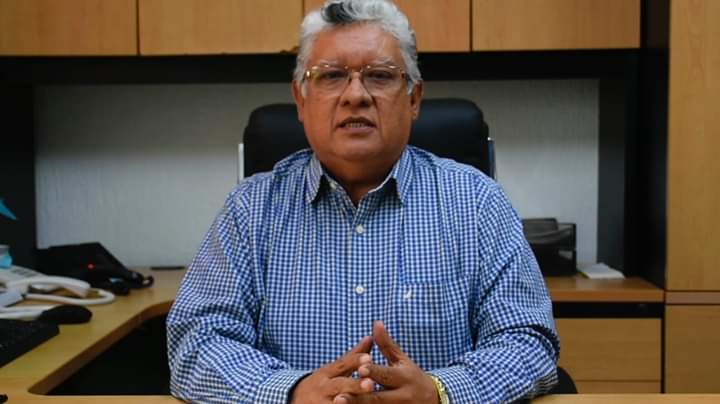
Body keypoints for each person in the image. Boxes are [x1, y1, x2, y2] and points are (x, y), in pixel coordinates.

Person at [167, 0, 559, 402]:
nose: (356, 95)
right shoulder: (250, 210)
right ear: (301, 99)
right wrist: (290, 392)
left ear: (414, 99)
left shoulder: (477, 203)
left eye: (380, 76)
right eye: (331, 76)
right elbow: (196, 344)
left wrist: (440, 393)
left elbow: (527, 341)